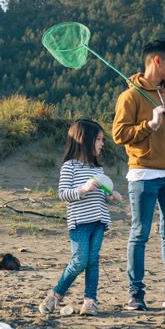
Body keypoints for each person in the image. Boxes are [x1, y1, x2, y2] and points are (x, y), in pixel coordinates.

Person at [112, 40, 165, 312]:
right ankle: (136, 294)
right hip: (144, 173)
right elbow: (119, 134)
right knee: (140, 233)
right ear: (157, 60)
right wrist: (150, 125)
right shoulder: (130, 96)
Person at [38, 119, 122, 316]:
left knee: (93, 261)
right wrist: (83, 189)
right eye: (99, 139)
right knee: (79, 261)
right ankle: (55, 295)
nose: (102, 144)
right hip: (80, 223)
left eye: (102, 139)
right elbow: (63, 194)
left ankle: (90, 301)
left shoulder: (97, 169)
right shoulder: (70, 167)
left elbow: (102, 195)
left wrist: (111, 197)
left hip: (99, 221)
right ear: (84, 140)